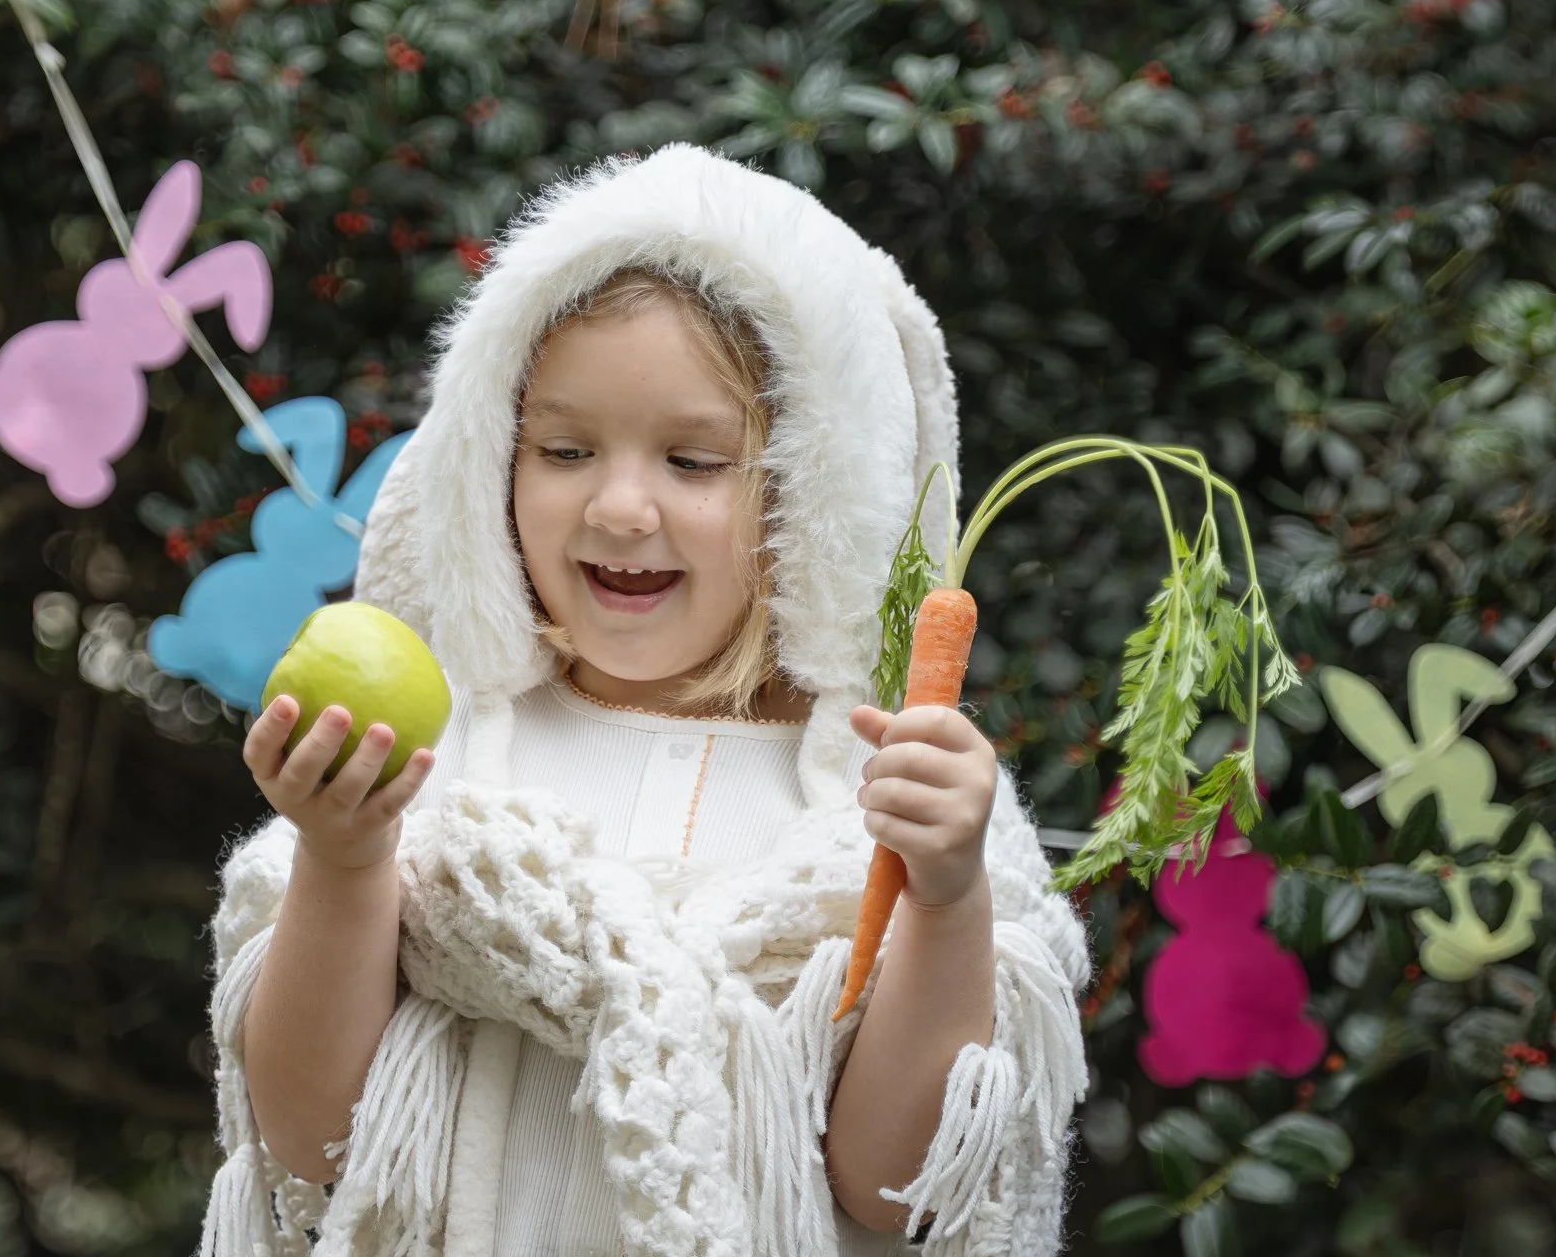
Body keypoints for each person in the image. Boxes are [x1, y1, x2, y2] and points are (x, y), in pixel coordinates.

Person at [197, 144, 1089, 1257]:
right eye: (565, 449)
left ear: (815, 501)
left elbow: (897, 1192)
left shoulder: (884, 792)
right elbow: (317, 1145)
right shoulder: (438, 762)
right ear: (490, 463)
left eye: (695, 461)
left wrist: (946, 898)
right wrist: (343, 859)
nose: (620, 507)